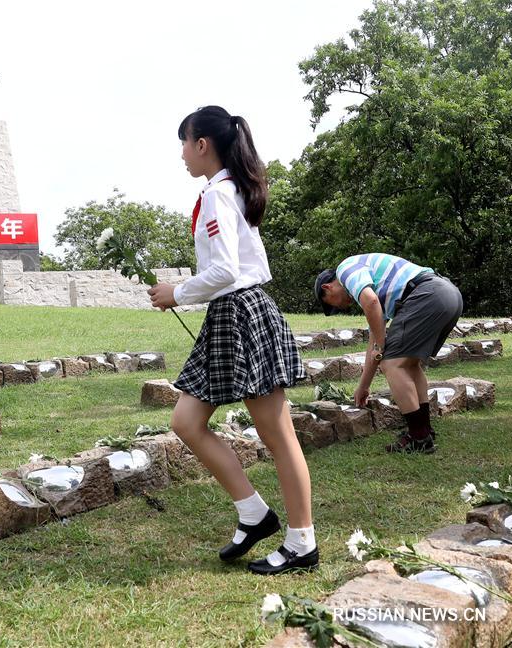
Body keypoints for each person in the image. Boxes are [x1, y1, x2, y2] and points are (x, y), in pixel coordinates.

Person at [148, 106, 316, 575]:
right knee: (186, 420)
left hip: (241, 311)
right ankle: (254, 513)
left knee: (278, 436)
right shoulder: (224, 193)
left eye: (184, 143)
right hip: (230, 313)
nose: (181, 154)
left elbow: (225, 271)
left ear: (202, 144)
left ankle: (302, 542)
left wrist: (175, 294)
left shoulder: (221, 195)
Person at [314, 255, 463, 453]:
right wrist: (363, 387)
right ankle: (424, 431)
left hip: (426, 295)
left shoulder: (345, 270)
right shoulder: (379, 289)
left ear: (328, 288)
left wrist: (382, 347)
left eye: (331, 304)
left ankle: (419, 438)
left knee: (392, 364)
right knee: (409, 365)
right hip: (447, 294)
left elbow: (372, 304)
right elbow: (374, 343)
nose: (339, 308)